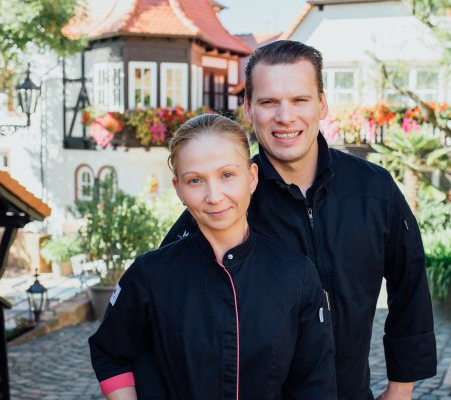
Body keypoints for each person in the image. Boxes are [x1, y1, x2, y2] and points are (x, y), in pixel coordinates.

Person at [156, 41, 437, 399]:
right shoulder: (226, 200)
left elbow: (410, 283)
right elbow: (163, 309)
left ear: (322, 104)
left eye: (300, 100)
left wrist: (400, 388)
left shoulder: (374, 189)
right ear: (248, 109)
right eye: (269, 102)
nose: (285, 117)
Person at [89, 114, 337, 400]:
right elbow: (110, 353)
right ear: (179, 190)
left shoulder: (296, 275)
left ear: (252, 177)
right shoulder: (150, 275)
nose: (214, 196)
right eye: (195, 180)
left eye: (227, 175)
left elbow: (314, 385)